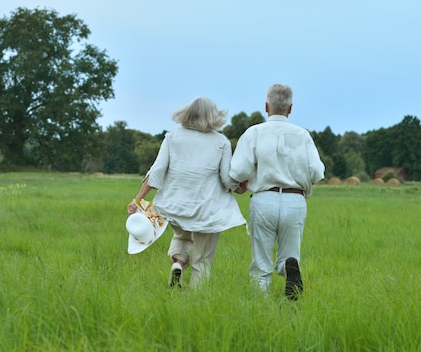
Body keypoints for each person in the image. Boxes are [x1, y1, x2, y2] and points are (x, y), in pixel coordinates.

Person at [128, 96, 246, 288]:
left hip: (175, 205)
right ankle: (196, 298)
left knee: (181, 237)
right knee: (203, 257)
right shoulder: (221, 141)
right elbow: (227, 178)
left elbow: (157, 170)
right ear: (213, 116)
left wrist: (138, 199)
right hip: (208, 209)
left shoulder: (172, 137)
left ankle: (178, 263)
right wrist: (241, 187)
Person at [230, 83, 325, 300]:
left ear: (266, 106)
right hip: (295, 200)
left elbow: (237, 171)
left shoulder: (254, 133)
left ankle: (261, 309)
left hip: (263, 199)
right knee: (290, 255)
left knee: (261, 264)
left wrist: (240, 184)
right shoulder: (303, 135)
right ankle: (287, 268)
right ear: (290, 108)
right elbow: (317, 171)